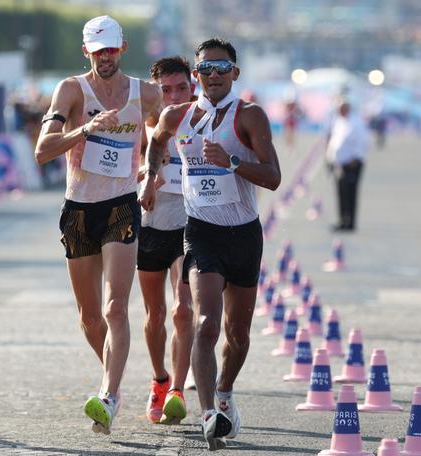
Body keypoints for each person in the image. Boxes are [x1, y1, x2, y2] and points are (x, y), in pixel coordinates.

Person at [139, 38, 281, 451]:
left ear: (235, 73)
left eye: (222, 68)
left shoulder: (249, 116)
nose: (213, 76)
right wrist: (150, 176)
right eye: (206, 69)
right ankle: (207, 415)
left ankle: (224, 393)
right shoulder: (177, 114)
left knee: (237, 335)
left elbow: (273, 177)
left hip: (244, 234)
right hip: (200, 231)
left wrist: (231, 162)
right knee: (204, 323)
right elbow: (156, 143)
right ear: (196, 74)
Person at [34, 15, 161, 434]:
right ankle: (118, 383)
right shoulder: (71, 90)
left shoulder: (145, 93)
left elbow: (165, 136)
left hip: (121, 206)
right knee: (90, 318)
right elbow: (41, 151)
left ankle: (107, 393)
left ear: (122, 49)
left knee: (115, 306)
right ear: (85, 51)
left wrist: (153, 170)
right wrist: (84, 129)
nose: (105, 57)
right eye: (97, 50)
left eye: (111, 49)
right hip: (79, 209)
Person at [139, 57, 194, 425]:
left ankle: (178, 388)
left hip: (189, 226)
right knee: (155, 314)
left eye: (181, 88)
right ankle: (160, 379)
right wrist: (146, 175)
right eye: (166, 90)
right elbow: (123, 172)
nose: (173, 97)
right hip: (148, 225)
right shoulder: (141, 126)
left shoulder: (201, 122)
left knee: (183, 309)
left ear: (193, 87)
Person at [325, 99, 369, 232]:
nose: (339, 111)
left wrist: (355, 158)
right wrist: (330, 158)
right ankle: (342, 220)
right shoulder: (338, 121)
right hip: (340, 162)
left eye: (342, 108)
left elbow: (362, 141)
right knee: (341, 192)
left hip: (352, 163)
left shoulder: (356, 122)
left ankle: (350, 222)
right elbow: (334, 141)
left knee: (351, 193)